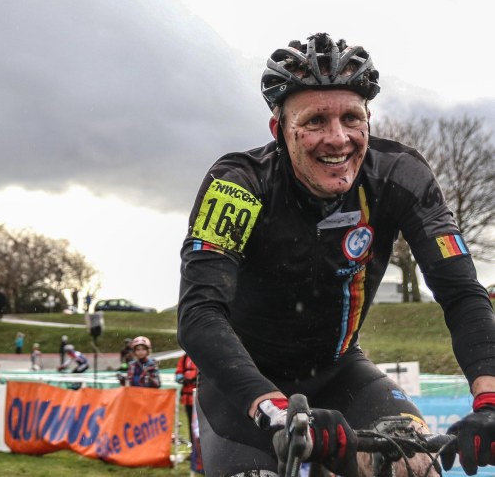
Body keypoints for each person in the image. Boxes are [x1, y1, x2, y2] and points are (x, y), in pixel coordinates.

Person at [178, 32, 495, 476]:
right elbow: (199, 313)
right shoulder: (238, 185)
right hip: (245, 385)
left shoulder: (400, 175)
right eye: (315, 121)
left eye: (351, 118)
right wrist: (275, 410)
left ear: (368, 120)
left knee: (414, 466)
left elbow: (461, 292)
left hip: (341, 371)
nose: (338, 138)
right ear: (279, 130)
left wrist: (489, 401)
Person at [176, 354, 203, 476]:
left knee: (201, 429)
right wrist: (182, 378)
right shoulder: (184, 358)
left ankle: (203, 454)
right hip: (188, 400)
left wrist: (195, 378)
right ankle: (194, 453)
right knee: (192, 428)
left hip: (201, 400)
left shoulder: (203, 355)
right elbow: (179, 372)